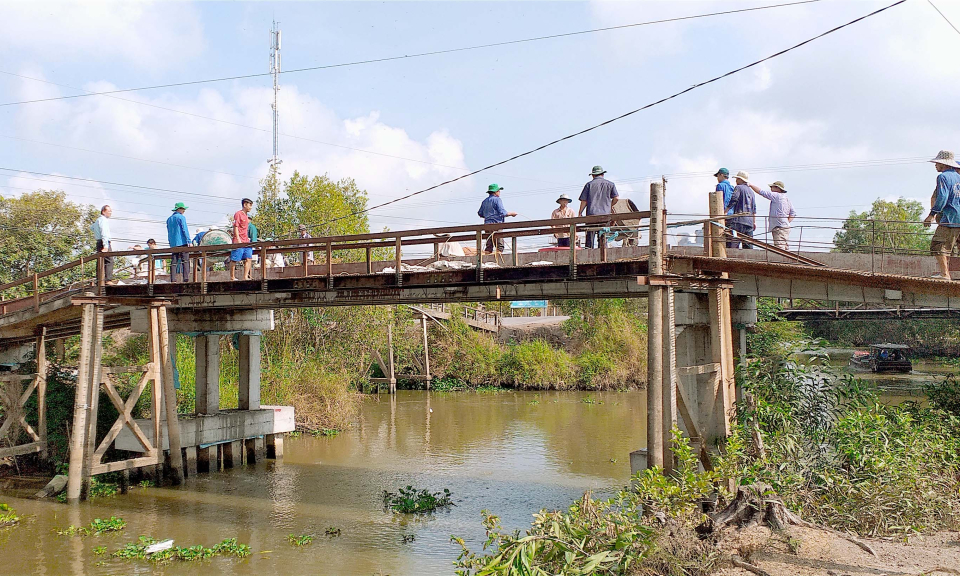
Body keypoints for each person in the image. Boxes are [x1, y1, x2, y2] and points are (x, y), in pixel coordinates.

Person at [923, 150, 960, 279]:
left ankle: (945, 274)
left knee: (939, 245)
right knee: (952, 246)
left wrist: (932, 214)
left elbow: (942, 197)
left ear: (943, 164)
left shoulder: (943, 177)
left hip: (950, 217)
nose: (935, 165)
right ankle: (946, 273)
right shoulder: (958, 176)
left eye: (937, 163)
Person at [748, 180, 796, 250]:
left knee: (780, 248)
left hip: (779, 227)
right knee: (785, 247)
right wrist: (786, 222)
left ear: (778, 188)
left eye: (772, 187)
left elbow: (762, 192)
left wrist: (751, 185)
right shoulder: (786, 199)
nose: (771, 189)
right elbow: (793, 213)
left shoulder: (777, 196)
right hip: (785, 227)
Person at [578, 165, 619, 249]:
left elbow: (584, 201)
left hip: (591, 215)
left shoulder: (589, 185)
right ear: (602, 174)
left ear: (593, 175)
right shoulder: (610, 184)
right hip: (605, 215)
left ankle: (588, 254)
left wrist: (580, 212)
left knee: (590, 237)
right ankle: (603, 255)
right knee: (603, 236)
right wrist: (610, 206)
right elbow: (616, 198)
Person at [478, 184, 517, 254]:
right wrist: (512, 214)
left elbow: (480, 213)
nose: (499, 192)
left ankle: (487, 254)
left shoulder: (484, 201)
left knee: (489, 245)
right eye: (499, 191)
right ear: (495, 192)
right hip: (496, 224)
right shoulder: (497, 200)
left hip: (486, 224)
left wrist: (488, 215)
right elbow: (502, 212)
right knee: (499, 244)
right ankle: (499, 254)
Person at [724, 171, 757, 249]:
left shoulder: (738, 188)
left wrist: (726, 211)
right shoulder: (751, 192)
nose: (736, 181)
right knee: (748, 248)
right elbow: (754, 208)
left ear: (741, 179)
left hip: (738, 221)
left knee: (732, 245)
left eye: (737, 179)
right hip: (749, 222)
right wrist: (754, 222)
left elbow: (734, 199)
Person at [166, 202, 191, 282]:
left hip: (173, 243)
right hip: (182, 242)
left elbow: (169, 231)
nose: (184, 211)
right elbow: (185, 230)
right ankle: (186, 279)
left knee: (174, 261)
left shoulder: (169, 219)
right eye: (183, 209)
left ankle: (173, 279)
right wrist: (189, 241)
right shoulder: (181, 217)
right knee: (185, 261)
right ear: (180, 209)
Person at [231, 198, 254, 280]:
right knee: (235, 258)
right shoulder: (238, 214)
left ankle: (245, 276)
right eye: (250, 205)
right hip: (239, 240)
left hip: (246, 240)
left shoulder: (246, 216)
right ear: (245, 205)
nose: (251, 207)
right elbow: (236, 227)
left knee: (249, 258)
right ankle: (232, 276)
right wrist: (238, 239)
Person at [90, 205, 115, 284]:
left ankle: (99, 280)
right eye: (109, 211)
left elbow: (92, 228)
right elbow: (104, 233)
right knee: (109, 261)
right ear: (103, 212)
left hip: (99, 242)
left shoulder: (98, 220)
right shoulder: (103, 220)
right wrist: (106, 246)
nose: (110, 212)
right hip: (104, 242)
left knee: (100, 261)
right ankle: (108, 280)